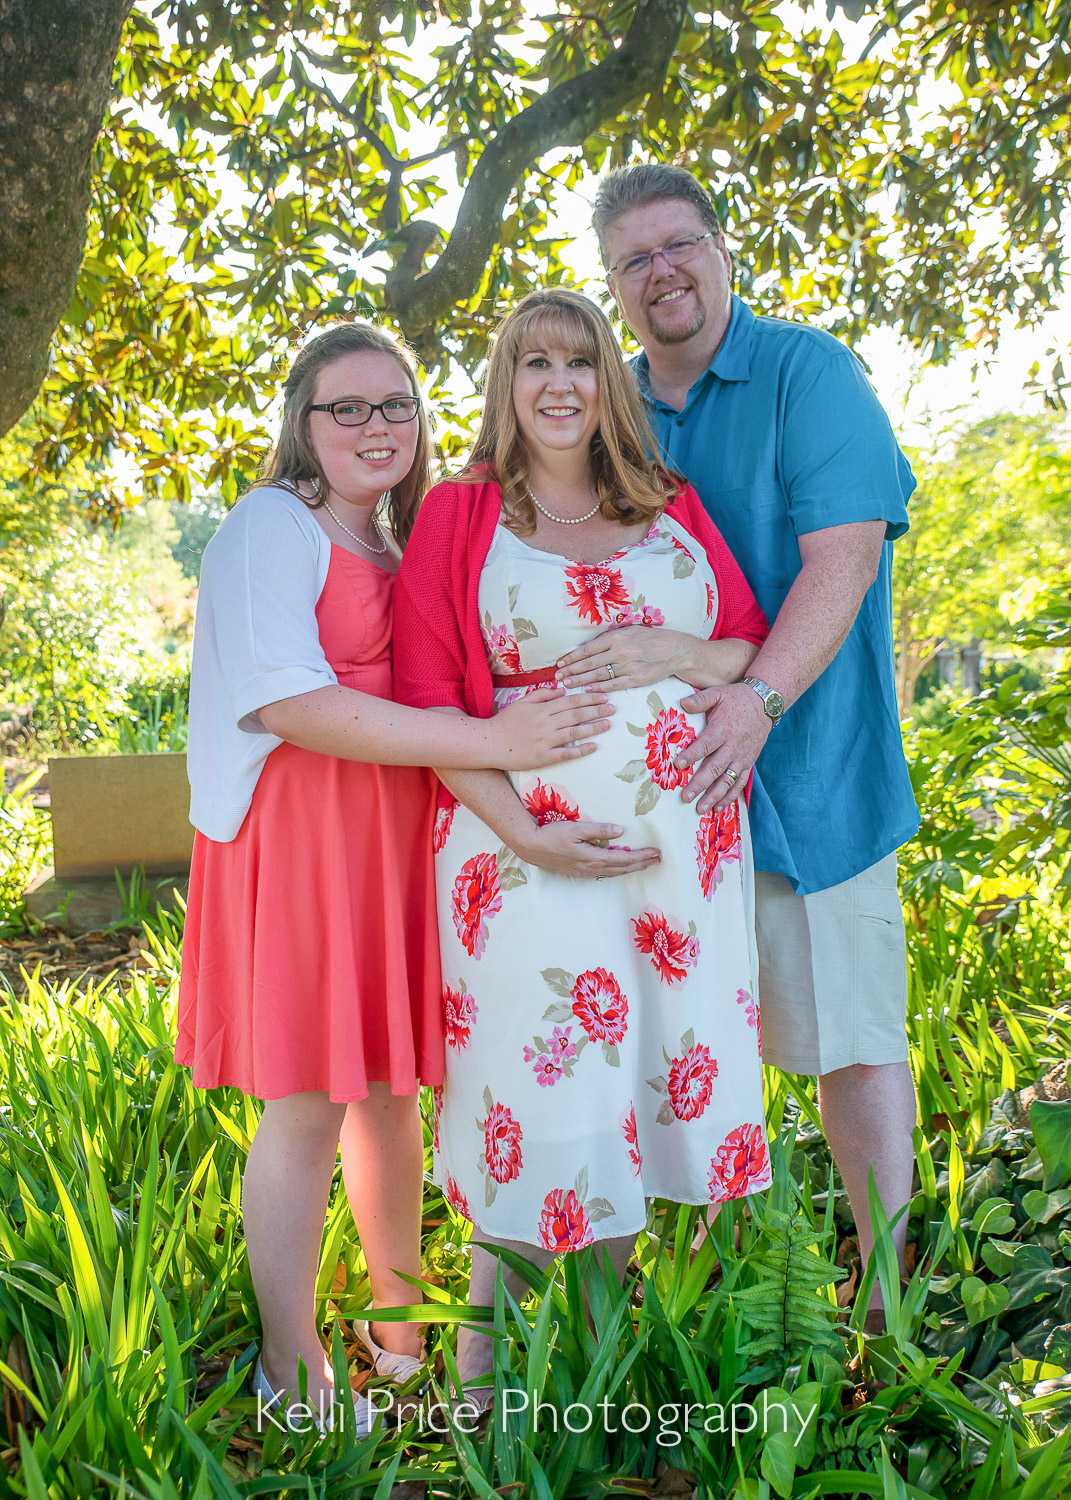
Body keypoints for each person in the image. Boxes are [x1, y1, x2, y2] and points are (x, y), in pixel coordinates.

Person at [175, 320, 617, 1435]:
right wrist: (494, 749)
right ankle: (292, 1376)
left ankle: (399, 1332)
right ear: (303, 425)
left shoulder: (404, 535)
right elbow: (291, 703)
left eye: (396, 406)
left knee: (390, 1094)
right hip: (304, 836)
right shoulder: (270, 528)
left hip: (394, 835)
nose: (377, 427)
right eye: (348, 408)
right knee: (308, 1105)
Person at [392, 287, 773, 1406]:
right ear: (506, 386)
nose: (557, 383)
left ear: (608, 378)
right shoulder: (461, 516)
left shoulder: (668, 499)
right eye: (532, 363)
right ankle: (481, 1392)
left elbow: (743, 640)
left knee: (641, 1095)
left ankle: (603, 1390)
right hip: (520, 860)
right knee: (539, 1098)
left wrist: (673, 647)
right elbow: (428, 713)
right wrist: (530, 835)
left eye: (577, 360)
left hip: (687, 868)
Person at [569, 163, 919, 1332]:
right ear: (613, 286)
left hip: (809, 786)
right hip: (648, 807)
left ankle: (881, 1302)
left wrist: (758, 701)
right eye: (634, 259)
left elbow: (846, 557)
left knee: (848, 1047)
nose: (661, 271)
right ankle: (682, 1309)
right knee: (665, 1056)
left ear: (722, 250)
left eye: (679, 245)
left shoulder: (806, 375)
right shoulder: (603, 402)